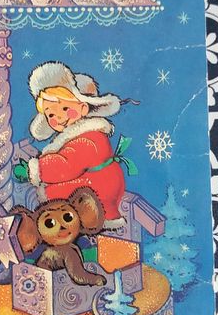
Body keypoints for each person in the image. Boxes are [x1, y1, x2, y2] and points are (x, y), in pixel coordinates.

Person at [13, 62, 135, 229]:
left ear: (83, 108)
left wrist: (35, 169)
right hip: (97, 190)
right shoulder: (80, 135)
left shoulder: (89, 138)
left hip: (96, 193)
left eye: (65, 108)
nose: (59, 117)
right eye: (51, 114)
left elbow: (65, 164)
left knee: (54, 201)